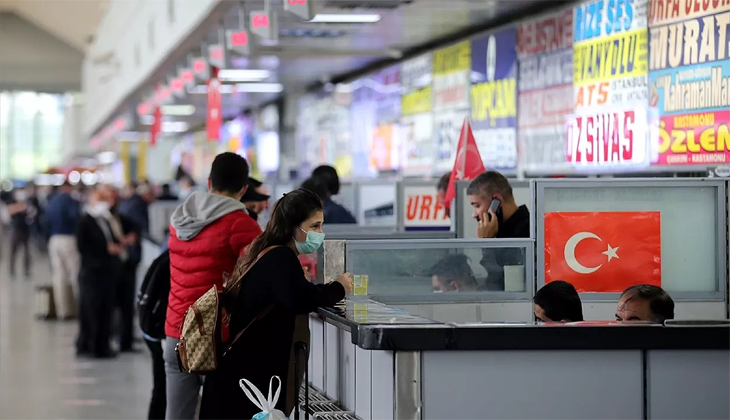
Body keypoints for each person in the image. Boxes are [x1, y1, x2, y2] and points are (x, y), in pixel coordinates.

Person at [199, 188, 353, 420]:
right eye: (314, 226)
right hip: (245, 379)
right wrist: (339, 287)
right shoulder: (280, 258)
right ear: (293, 226)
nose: (320, 233)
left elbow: (298, 292)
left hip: (238, 374)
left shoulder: (266, 250)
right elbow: (302, 299)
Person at [164, 152, 262, 420]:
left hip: (176, 331)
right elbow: (266, 271)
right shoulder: (239, 223)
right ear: (243, 189)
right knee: (221, 411)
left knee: (177, 414)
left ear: (209, 182)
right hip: (215, 334)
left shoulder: (179, 219)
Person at [76, 186, 126, 358]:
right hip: (93, 274)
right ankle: (94, 346)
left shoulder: (104, 220)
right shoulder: (86, 221)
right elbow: (83, 247)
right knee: (92, 311)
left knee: (105, 311)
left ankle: (102, 345)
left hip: (106, 273)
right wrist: (106, 249)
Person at [467, 171, 530, 290]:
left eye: (477, 206)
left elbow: (498, 283)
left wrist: (487, 243)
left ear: (496, 201)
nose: (474, 214)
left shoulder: (527, 232)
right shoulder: (501, 232)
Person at [107, 185, 142, 352]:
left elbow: (135, 227)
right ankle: (112, 336)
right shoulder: (99, 221)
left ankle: (125, 340)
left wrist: (131, 237)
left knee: (127, 306)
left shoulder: (120, 217)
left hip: (126, 266)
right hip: (110, 269)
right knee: (111, 306)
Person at [45, 181, 81, 320]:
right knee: (75, 274)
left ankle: (63, 311)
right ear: (69, 188)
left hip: (54, 239)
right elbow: (75, 217)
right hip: (69, 238)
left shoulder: (52, 201)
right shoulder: (70, 201)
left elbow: (45, 222)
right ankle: (79, 308)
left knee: (59, 276)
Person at [5, 186, 36, 279]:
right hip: (15, 229)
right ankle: (12, 271)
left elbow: (32, 211)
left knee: (26, 252)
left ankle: (26, 271)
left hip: (25, 229)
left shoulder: (28, 202)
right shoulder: (11, 201)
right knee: (13, 251)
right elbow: (10, 211)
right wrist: (21, 206)